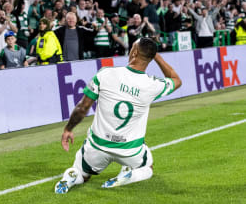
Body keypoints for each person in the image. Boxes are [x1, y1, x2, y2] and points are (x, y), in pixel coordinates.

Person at [54, 37, 182, 194]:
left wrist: (68, 129)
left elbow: (83, 107)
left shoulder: (106, 73)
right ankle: (130, 175)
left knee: (81, 171)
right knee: (148, 168)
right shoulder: (153, 85)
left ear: (134, 52)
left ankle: (70, 178)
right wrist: (156, 56)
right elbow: (176, 80)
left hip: (98, 146)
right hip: (130, 150)